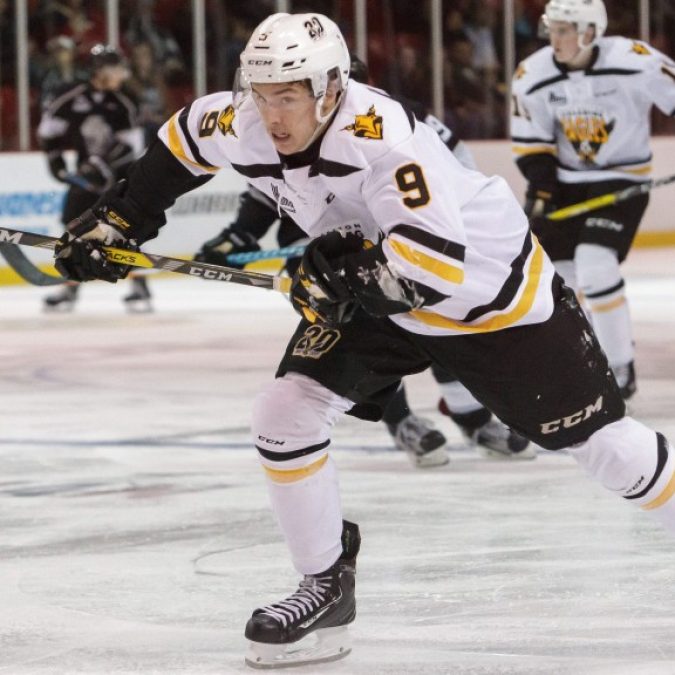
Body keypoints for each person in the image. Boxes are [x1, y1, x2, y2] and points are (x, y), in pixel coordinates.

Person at [51, 13, 675, 669]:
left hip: (490, 301)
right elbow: (181, 142)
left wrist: (334, 280)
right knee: (284, 411)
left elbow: (431, 272)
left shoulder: (384, 140)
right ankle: (324, 583)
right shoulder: (245, 119)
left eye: (287, 96)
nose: (270, 114)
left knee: (610, 452)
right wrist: (119, 221)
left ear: (328, 89)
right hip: (381, 291)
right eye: (260, 93)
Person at [194, 55, 532, 466]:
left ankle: (471, 417)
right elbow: (264, 195)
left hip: (399, 249)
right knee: (361, 336)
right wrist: (237, 237)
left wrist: (448, 219)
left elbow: (455, 160)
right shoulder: (287, 129)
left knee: (439, 320)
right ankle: (401, 421)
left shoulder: (395, 120)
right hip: (322, 257)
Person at [511, 0, 675, 400]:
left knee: (596, 264)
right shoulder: (533, 74)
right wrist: (542, 190)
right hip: (565, 183)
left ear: (589, 31)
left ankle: (620, 367)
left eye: (564, 30)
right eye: (552, 28)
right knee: (559, 278)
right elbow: (532, 144)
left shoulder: (635, 60)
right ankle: (583, 364)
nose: (554, 39)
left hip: (622, 179)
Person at [37, 43, 152, 313]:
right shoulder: (71, 97)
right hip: (87, 179)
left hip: (121, 179)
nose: (122, 75)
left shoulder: (125, 101)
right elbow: (48, 131)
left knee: (125, 230)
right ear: (99, 70)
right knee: (74, 227)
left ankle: (139, 284)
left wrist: (101, 164)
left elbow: (132, 145)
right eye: (116, 69)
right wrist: (55, 162)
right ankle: (71, 285)